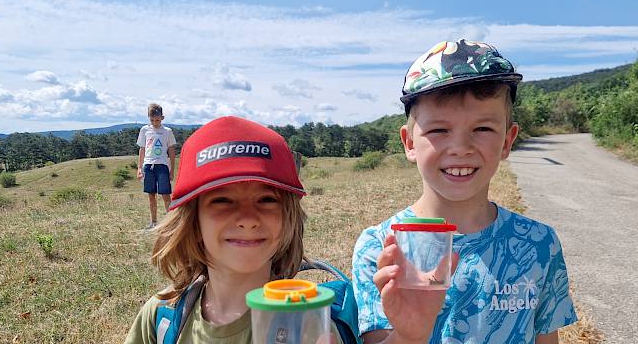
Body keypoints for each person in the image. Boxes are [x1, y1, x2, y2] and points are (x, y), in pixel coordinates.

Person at [351, 40, 577, 344]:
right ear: (409, 143)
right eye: (438, 130)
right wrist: (407, 336)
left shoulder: (539, 244)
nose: (460, 148)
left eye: (482, 129)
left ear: (507, 141)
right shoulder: (381, 249)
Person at [124, 116, 341, 344]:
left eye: (267, 199)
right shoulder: (160, 316)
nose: (248, 219)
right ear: (192, 221)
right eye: (222, 200)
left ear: (288, 218)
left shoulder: (307, 325)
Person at [136, 103, 177, 230]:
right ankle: (153, 222)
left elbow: (171, 151)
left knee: (165, 195)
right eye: (152, 120)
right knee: (151, 195)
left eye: (157, 120)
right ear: (149, 118)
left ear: (162, 118)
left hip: (162, 166)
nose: (155, 122)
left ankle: (171, 223)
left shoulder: (167, 131)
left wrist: (172, 170)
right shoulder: (144, 130)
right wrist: (139, 168)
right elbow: (142, 149)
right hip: (148, 166)